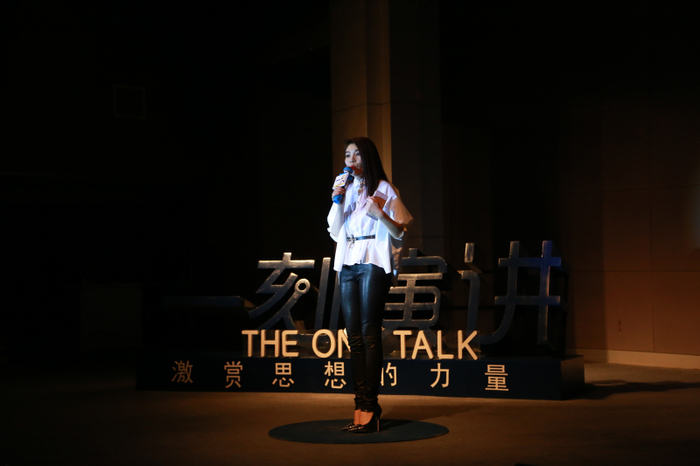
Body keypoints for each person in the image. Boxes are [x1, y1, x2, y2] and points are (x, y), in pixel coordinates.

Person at [327, 137, 412, 433]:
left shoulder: (384, 188)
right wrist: (337, 199)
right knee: (353, 337)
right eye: (347, 155)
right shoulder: (345, 187)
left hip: (373, 260)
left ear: (368, 158)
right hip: (348, 260)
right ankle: (360, 406)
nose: (351, 160)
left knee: (369, 333)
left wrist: (381, 214)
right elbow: (334, 230)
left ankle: (370, 405)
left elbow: (400, 232)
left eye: (357, 155)